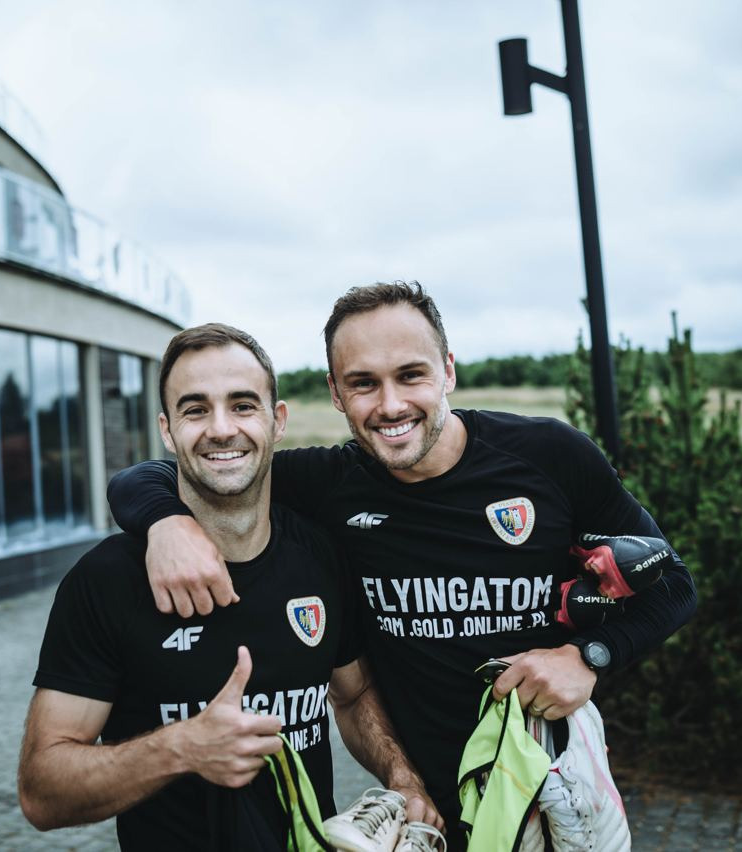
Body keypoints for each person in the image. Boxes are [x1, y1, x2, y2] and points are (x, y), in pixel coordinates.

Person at [107, 283, 698, 848]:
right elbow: (150, 476)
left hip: (547, 801)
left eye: (411, 375)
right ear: (336, 393)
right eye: (363, 383)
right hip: (423, 817)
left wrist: (588, 656)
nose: (390, 405)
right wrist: (168, 524)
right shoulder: (331, 483)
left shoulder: (550, 456)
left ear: (448, 370)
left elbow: (673, 584)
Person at [18, 323, 442, 850]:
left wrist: (401, 776)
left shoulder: (320, 555)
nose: (221, 429)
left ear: (277, 420)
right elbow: (41, 791)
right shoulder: (106, 579)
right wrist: (181, 748)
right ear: (167, 430)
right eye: (196, 410)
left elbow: (353, 694)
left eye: (243, 405)